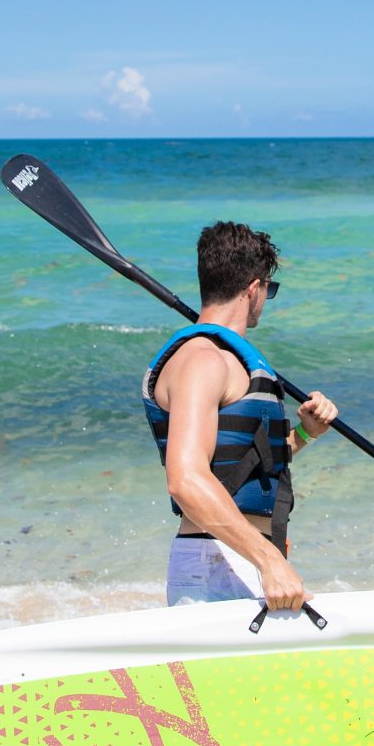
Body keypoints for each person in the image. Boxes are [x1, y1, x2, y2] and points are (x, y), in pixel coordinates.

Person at [143, 219, 337, 608]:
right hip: (219, 562)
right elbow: (184, 480)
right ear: (253, 289)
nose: (266, 299)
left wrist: (305, 432)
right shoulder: (202, 360)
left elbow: (241, 467)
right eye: (269, 289)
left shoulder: (224, 361)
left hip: (240, 557)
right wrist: (268, 561)